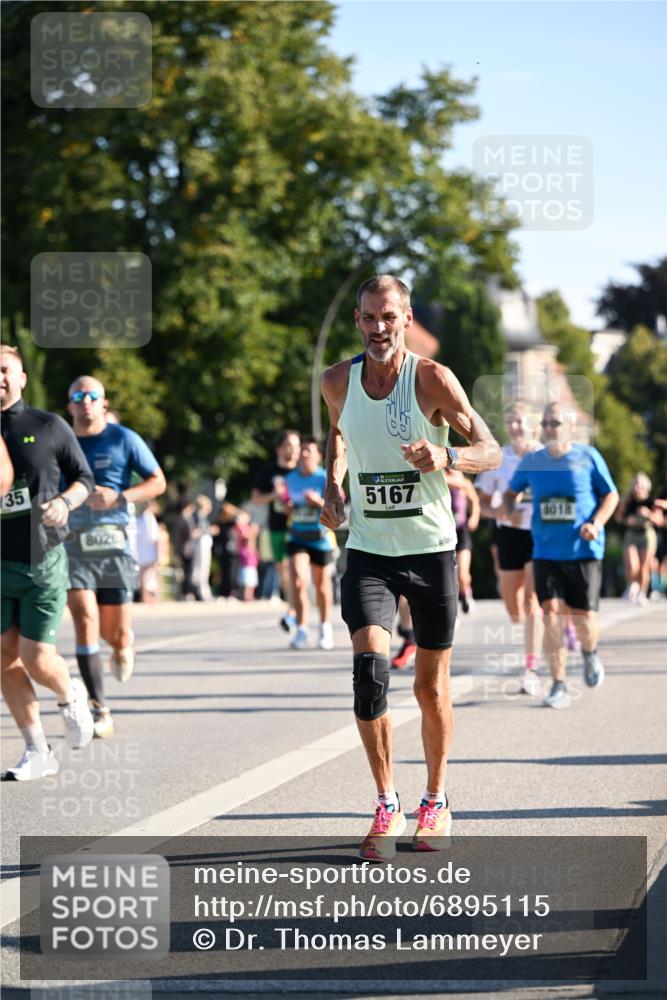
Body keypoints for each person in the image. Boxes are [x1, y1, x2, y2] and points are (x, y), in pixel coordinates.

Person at [320, 274, 501, 860]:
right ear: (357, 320)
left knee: (429, 687)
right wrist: (332, 488)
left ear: (406, 317)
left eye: (389, 318)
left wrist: (446, 454)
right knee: (370, 675)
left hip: (429, 550)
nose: (379, 329)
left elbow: (491, 451)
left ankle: (436, 799)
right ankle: (385, 802)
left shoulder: (432, 379)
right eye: (370, 318)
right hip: (370, 552)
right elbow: (339, 435)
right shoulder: (334, 382)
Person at [1, 346, 95, 780]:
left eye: (4, 371)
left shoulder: (47, 425)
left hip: (42, 557)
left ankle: (69, 691)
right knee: (4, 658)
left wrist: (64, 501)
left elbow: (84, 479)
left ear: (21, 377)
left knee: (36, 657)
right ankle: (36, 750)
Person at [65, 376, 166, 738]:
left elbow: (158, 481)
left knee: (117, 634)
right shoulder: (64, 440)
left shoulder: (124, 438)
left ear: (103, 402)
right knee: (84, 618)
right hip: (73, 546)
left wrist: (119, 497)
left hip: (115, 548)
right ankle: (99, 707)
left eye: (93, 395)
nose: (86, 401)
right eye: (79, 396)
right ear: (70, 405)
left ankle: (124, 647)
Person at [504, 402, 619, 709]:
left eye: (555, 423)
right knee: (550, 614)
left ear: (570, 427)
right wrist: (510, 512)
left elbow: (611, 495)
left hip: (583, 550)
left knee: (584, 620)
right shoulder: (532, 461)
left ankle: (590, 653)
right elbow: (510, 492)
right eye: (546, 423)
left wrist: (596, 523)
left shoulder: (588, 456)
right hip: (545, 551)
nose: (549, 428)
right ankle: (558, 685)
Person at [476, 402, 544, 696]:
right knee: (512, 604)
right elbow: (480, 502)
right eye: (510, 421)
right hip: (509, 536)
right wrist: (502, 514)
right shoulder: (499, 459)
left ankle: (531, 668)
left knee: (531, 602)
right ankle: (530, 633)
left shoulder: (546, 457)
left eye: (519, 421)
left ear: (534, 425)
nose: (514, 427)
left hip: (540, 536)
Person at [285, 437, 336, 651]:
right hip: (298, 537)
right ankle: (302, 629)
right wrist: (287, 505)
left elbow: (337, 506)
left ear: (318, 456)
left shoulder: (325, 478)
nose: (304, 454)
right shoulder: (290, 478)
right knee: (297, 580)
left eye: (309, 451)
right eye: (302, 451)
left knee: (321, 586)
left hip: (320, 539)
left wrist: (318, 502)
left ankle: (325, 627)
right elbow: (286, 504)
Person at [251, 430, 301, 632]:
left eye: (297, 446)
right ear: (279, 448)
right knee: (284, 572)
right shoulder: (270, 471)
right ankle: (294, 609)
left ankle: (294, 612)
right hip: (277, 526)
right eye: (290, 445)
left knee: (295, 570)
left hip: (301, 527)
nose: (295, 450)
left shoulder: (302, 470)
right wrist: (274, 495)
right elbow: (255, 498)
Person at [615, 472, 663, 606]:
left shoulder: (652, 502)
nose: (638, 488)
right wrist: (627, 520)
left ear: (646, 487)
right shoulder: (628, 501)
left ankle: (642, 593)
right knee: (632, 566)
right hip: (631, 535)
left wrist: (648, 514)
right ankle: (632, 586)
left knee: (644, 567)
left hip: (647, 535)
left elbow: (660, 521)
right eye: (636, 484)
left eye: (641, 485)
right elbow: (619, 518)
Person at [445, 468, 480, 614]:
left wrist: (474, 517)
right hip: (444, 532)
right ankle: (452, 605)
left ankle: (466, 592)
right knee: (447, 575)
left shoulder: (465, 483)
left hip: (461, 531)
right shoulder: (440, 481)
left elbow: (475, 502)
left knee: (463, 574)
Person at [191, 494, 215, 601]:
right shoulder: (198, 516)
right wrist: (209, 530)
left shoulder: (202, 517)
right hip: (201, 544)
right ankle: (201, 592)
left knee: (202, 568)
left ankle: (201, 591)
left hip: (204, 543)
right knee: (201, 568)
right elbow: (197, 531)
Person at [234, 509, 260, 600]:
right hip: (247, 555)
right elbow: (247, 538)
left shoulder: (245, 527)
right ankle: (247, 596)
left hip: (250, 555)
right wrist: (254, 532)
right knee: (248, 576)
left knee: (251, 576)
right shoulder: (241, 527)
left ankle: (249, 595)